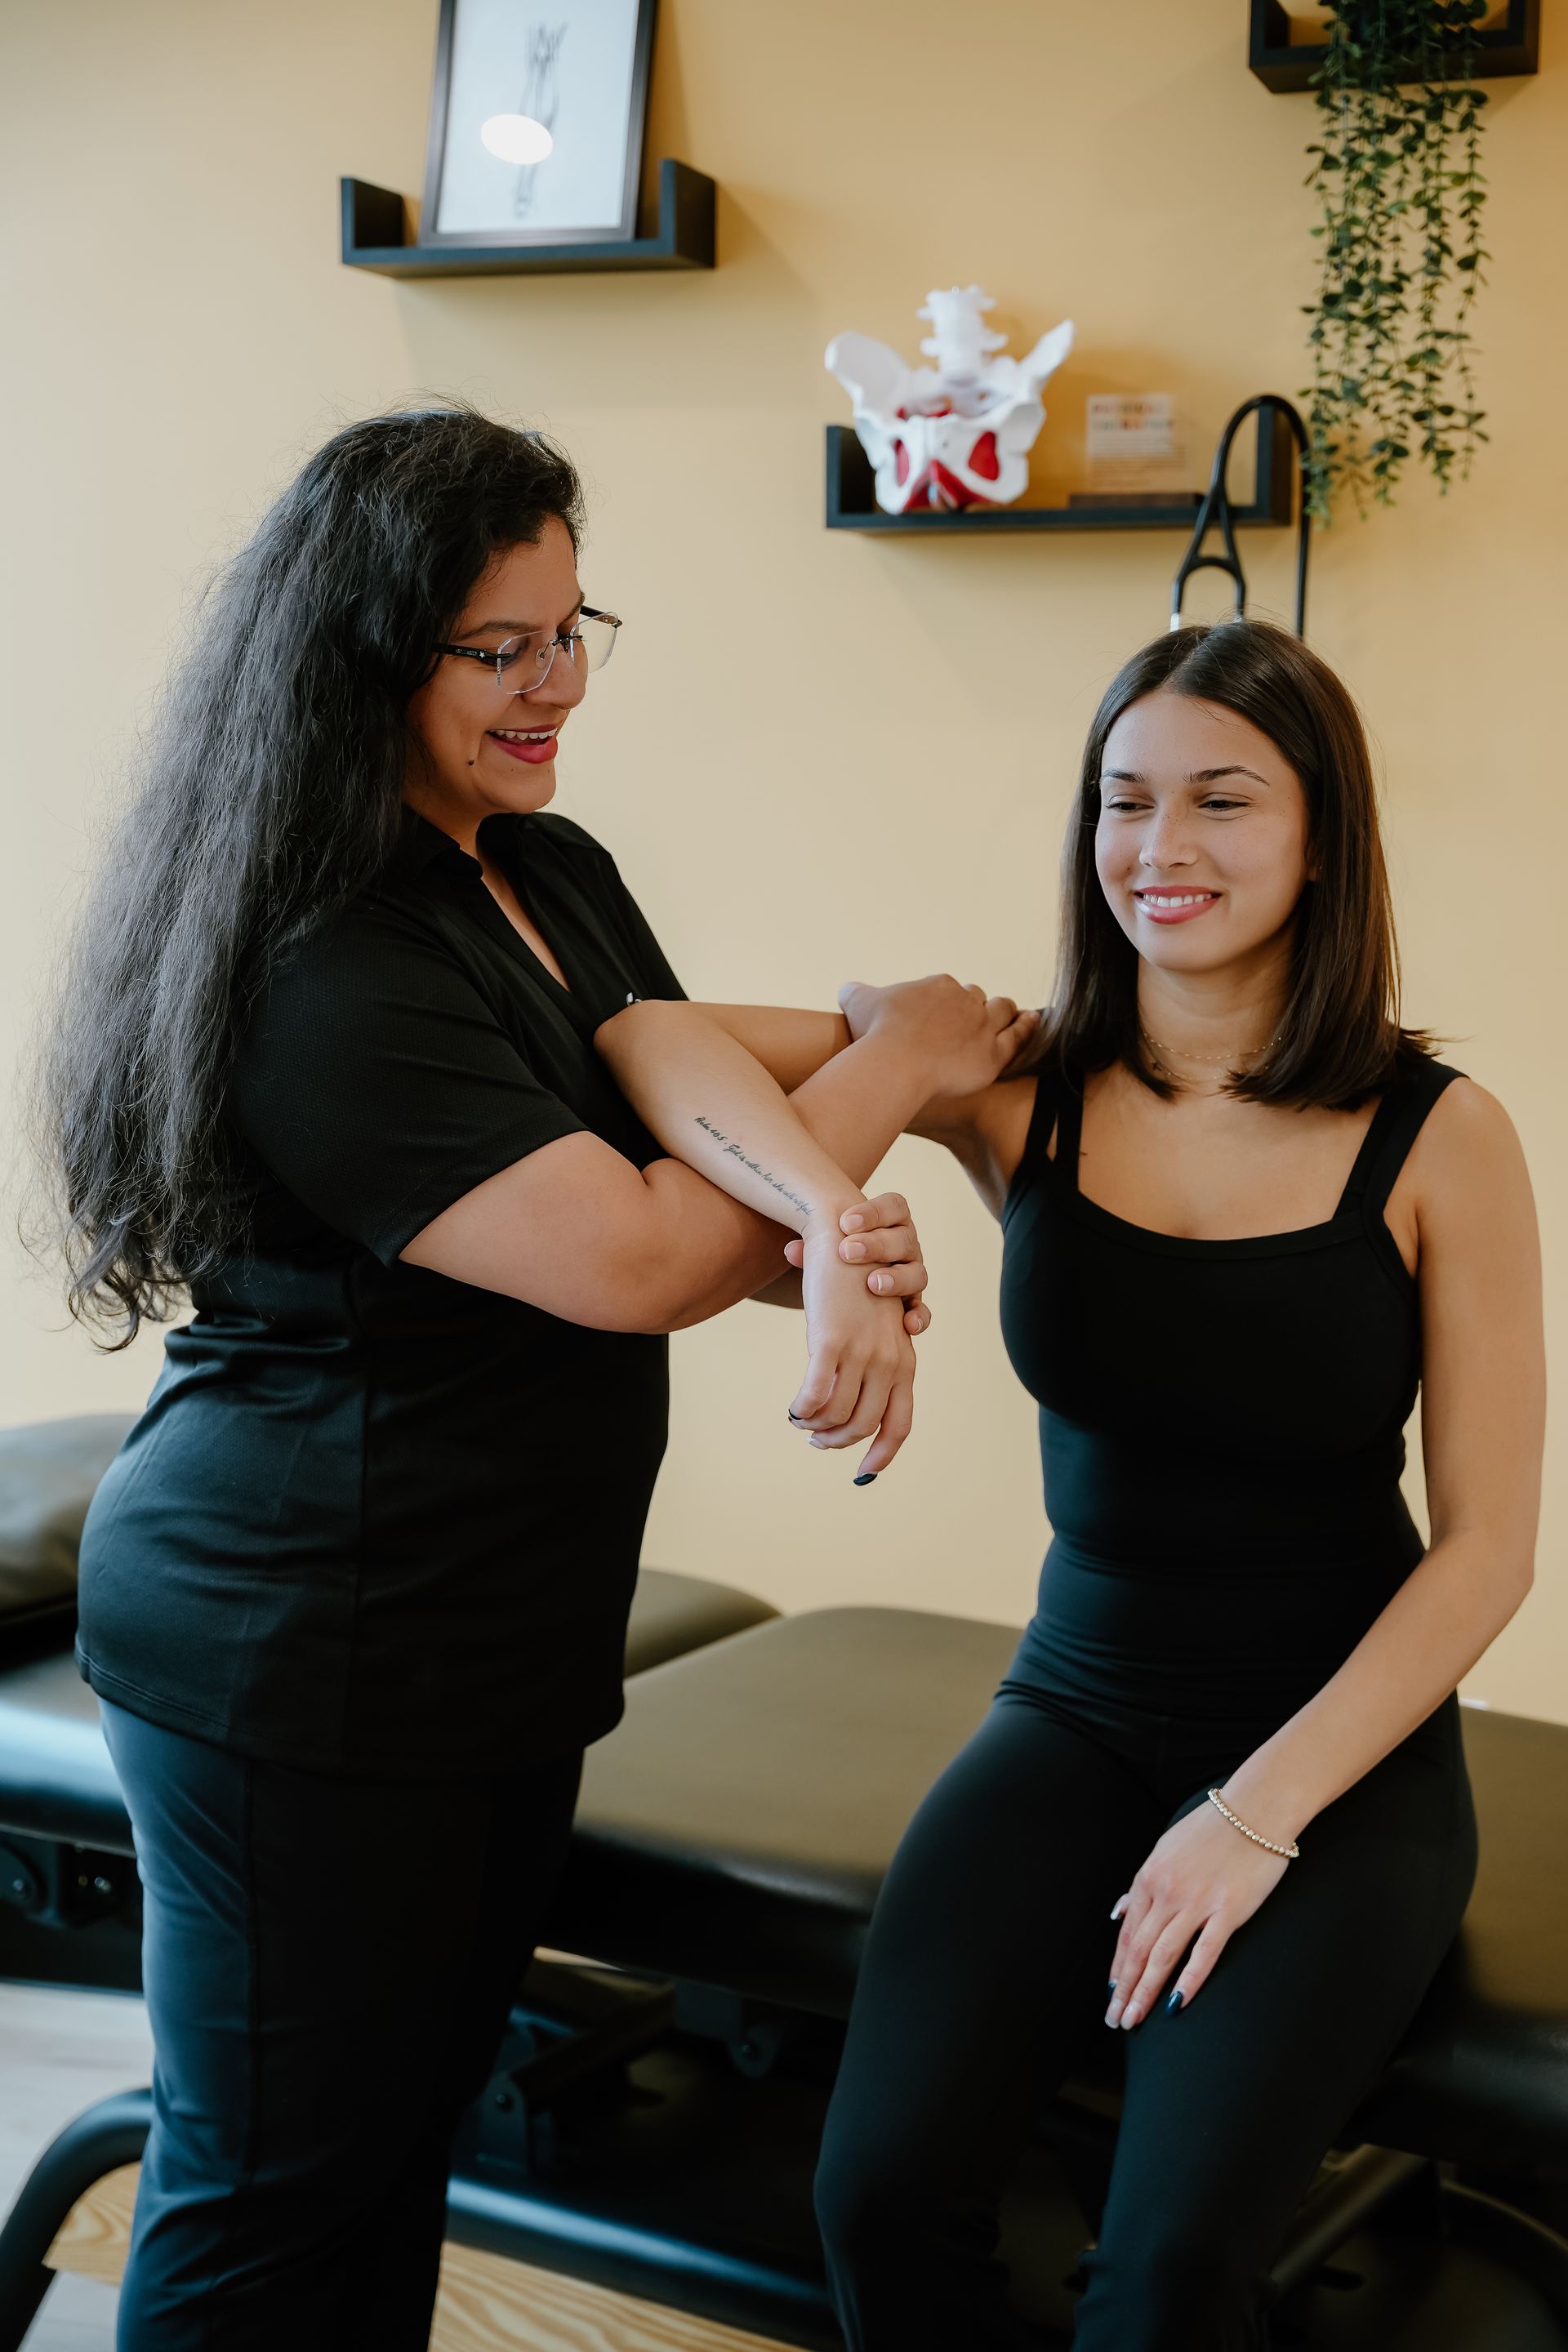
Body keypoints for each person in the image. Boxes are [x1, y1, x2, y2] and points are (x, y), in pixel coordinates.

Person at [34, 404, 1033, 2349]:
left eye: (574, 629)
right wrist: (890, 1090)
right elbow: (656, 1256)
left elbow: (679, 1064)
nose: (553, 683)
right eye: (498, 649)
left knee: (397, 2148)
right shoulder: (327, 965)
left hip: (478, 1627)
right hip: (301, 1640)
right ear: (358, 661)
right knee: (272, 2192)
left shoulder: (534, 867)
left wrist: (845, 1166)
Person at [604, 619, 1545, 2349]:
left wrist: (1255, 1816)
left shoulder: (1441, 1134)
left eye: (1221, 803)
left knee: (1167, 2272)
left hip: (1338, 1762)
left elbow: (1490, 1551)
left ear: (1323, 833)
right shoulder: (1016, 1084)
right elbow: (649, 1038)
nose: (1160, 850)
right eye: (1123, 802)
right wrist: (833, 1206)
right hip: (1079, 1713)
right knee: (876, 2197)